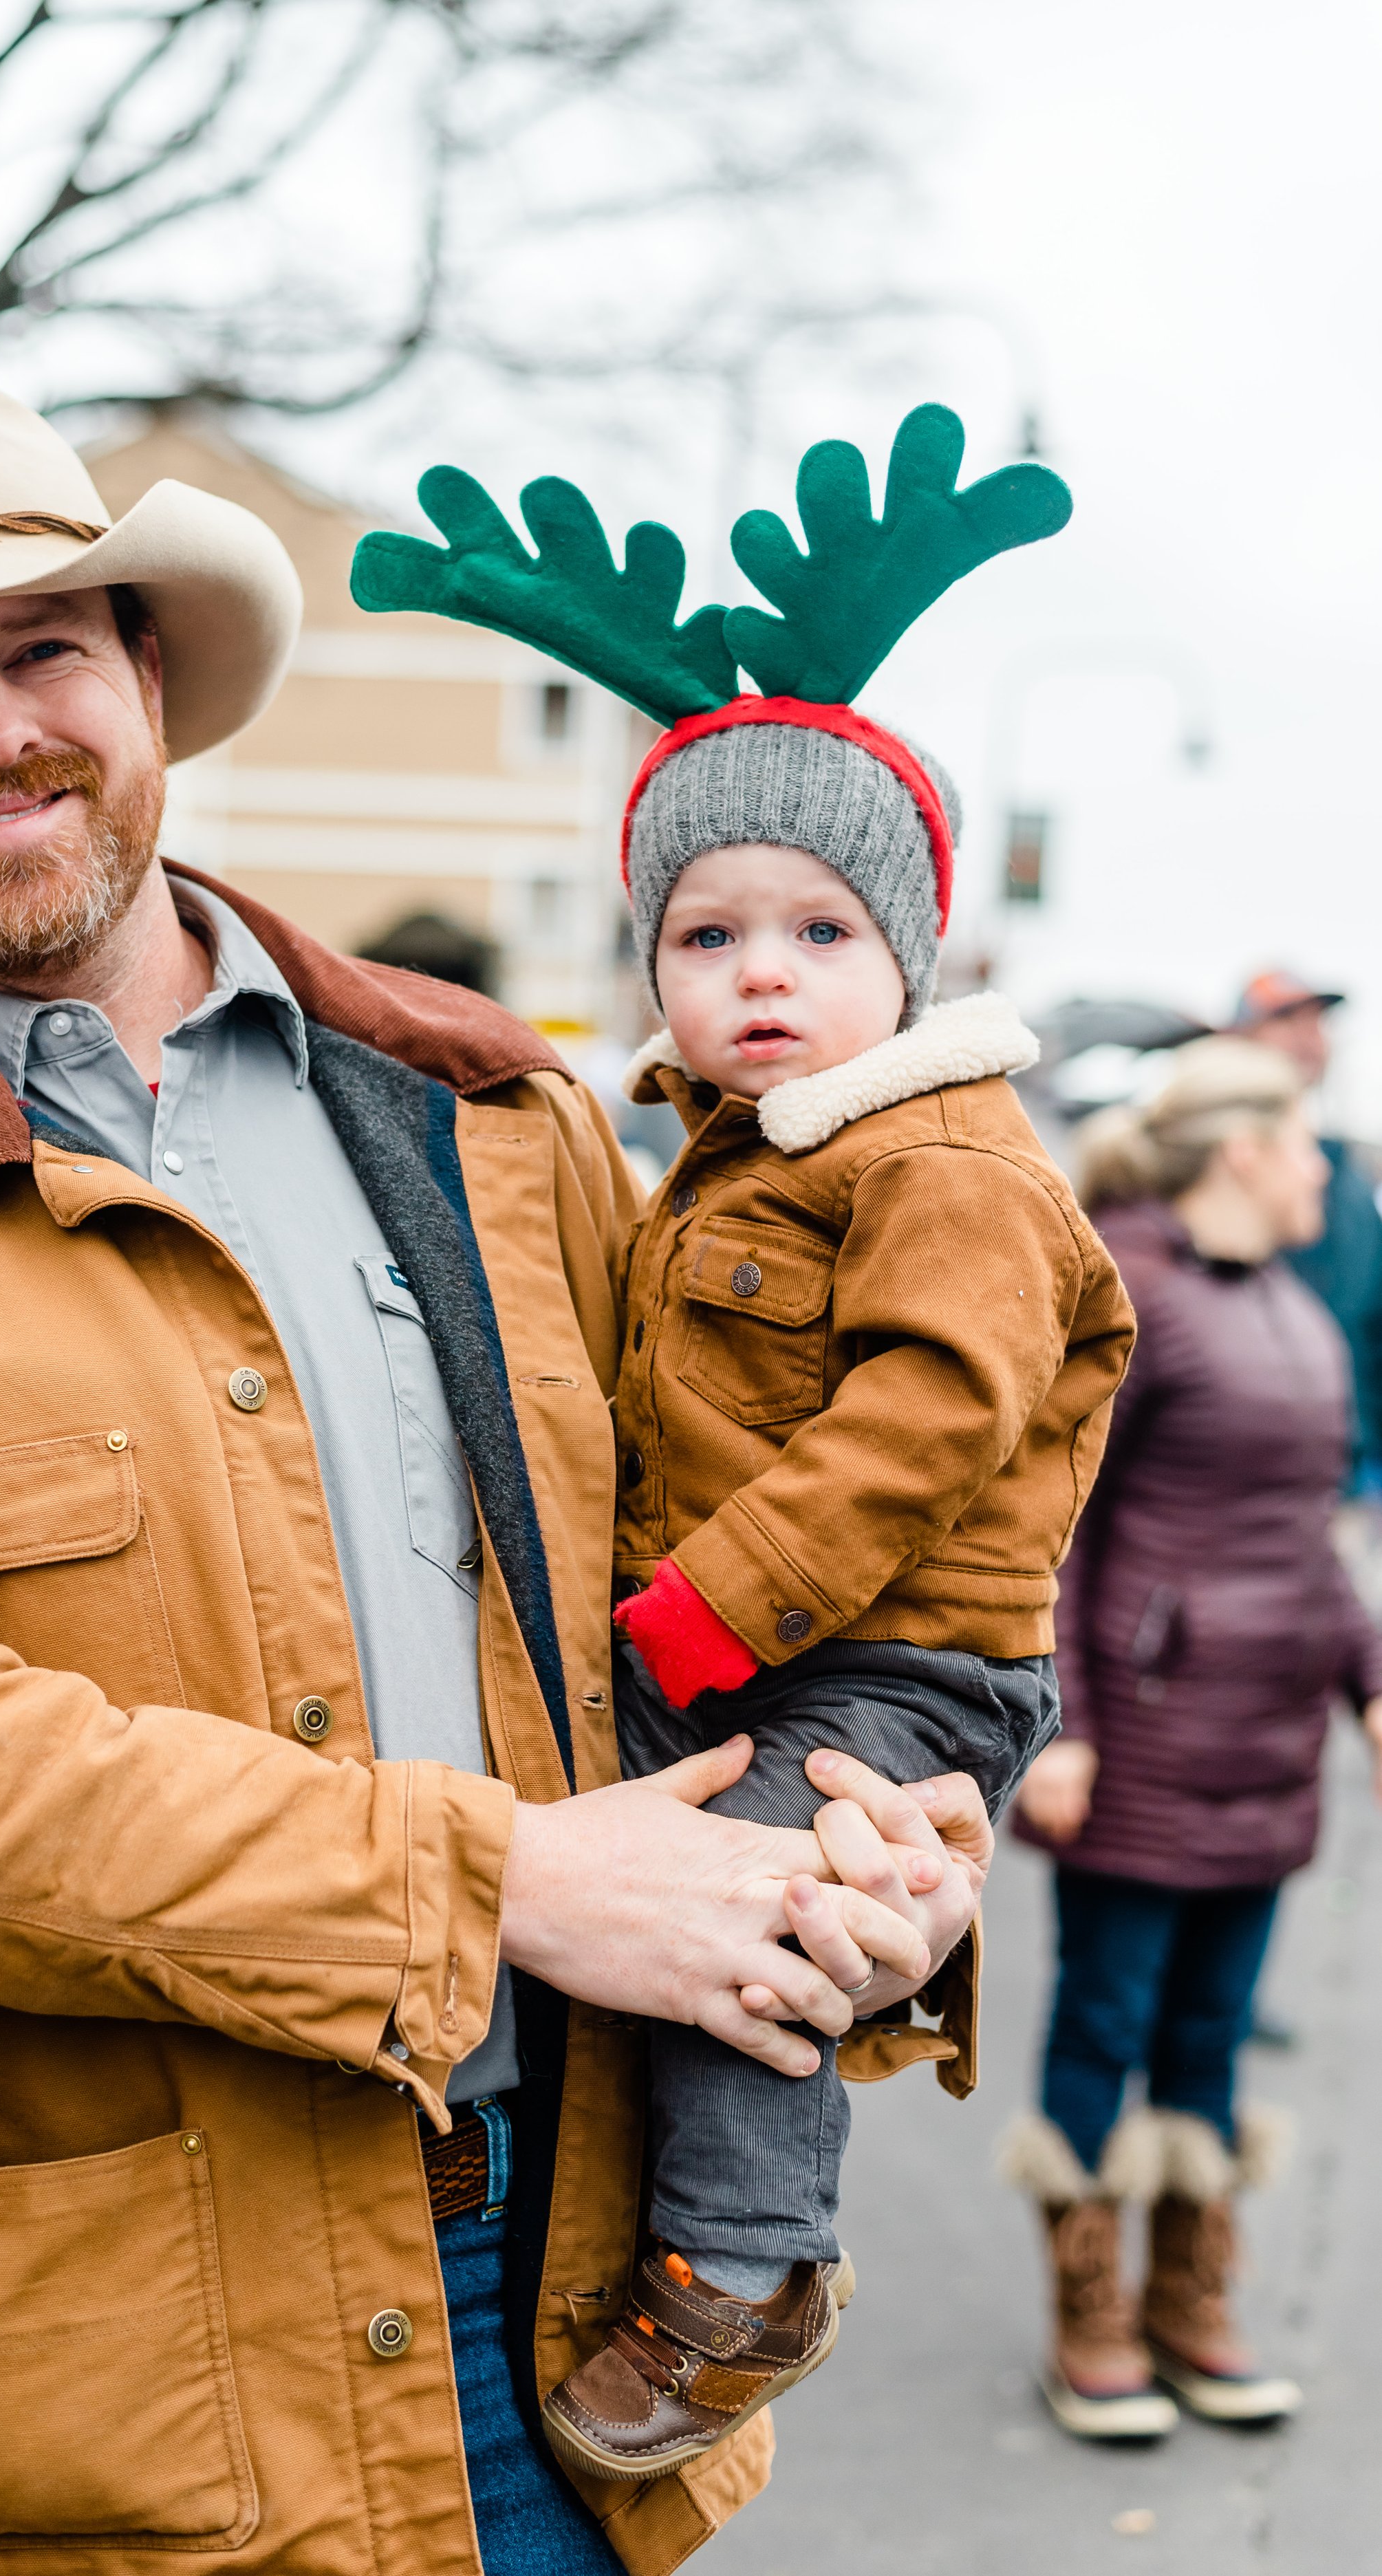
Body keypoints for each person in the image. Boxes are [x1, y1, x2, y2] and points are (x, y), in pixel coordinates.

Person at [0, 369, 989, 2576]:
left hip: (559, 2333)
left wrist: (872, 1857)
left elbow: (728, 1585)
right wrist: (489, 1889)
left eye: (44, 649)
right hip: (71, 2411)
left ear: (150, 678)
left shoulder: (500, 1119)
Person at [347, 407, 1128, 2485]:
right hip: (755, 1628)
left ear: (906, 956)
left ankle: (745, 2264)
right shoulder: (707, 1164)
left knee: (756, 1886)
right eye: (705, 937)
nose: (758, 976)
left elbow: (930, 1419)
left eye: (813, 934)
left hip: (884, 1655)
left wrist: (705, 1608)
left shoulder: (941, 1156)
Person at [1007, 1037, 1382, 2442]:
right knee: (1107, 2018)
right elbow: (1052, 1527)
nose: (1320, 1170)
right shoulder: (1131, 1291)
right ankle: (1088, 2318)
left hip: (1269, 1752)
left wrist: (1368, 1684)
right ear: (1237, 1149)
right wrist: (1059, 1724)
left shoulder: (1292, 1307)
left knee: (1212, 2032)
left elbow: (1305, 1547)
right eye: (1302, 1143)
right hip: (1141, 1747)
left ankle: (1188, 2302)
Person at [1231, 969, 1382, 1492]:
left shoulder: (1346, 1176)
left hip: (1345, 1469)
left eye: (1317, 1022)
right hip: (1240, 1472)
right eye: (1285, 1019)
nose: (1307, 1036)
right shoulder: (1204, 1169)